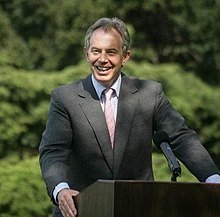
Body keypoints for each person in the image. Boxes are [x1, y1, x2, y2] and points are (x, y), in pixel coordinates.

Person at [39, 17, 220, 217]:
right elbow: (54, 151)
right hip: (80, 210)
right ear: (86, 53)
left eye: (111, 52)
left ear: (125, 57)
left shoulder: (150, 94)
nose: (102, 59)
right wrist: (60, 189)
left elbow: (182, 138)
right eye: (96, 51)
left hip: (138, 206)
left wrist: (213, 180)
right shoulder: (65, 98)